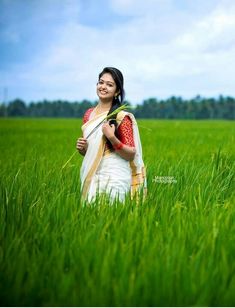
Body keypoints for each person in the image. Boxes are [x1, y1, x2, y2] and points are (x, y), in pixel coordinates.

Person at [76, 67, 146, 203]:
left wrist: (112, 137)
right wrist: (83, 149)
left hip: (115, 175)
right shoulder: (88, 115)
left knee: (112, 215)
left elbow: (131, 153)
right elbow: (93, 152)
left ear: (117, 91)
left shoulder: (121, 117)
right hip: (93, 172)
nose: (103, 87)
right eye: (101, 82)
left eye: (109, 85)